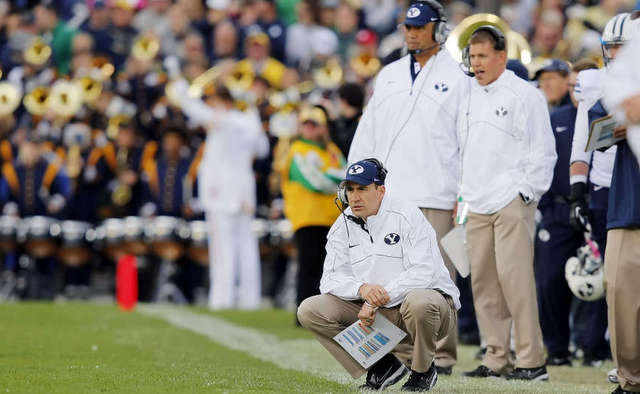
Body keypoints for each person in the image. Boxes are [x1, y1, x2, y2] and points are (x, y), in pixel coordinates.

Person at [348, 0, 471, 374]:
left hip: (437, 190)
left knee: (439, 278)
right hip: (390, 192)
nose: (413, 32)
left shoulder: (458, 76)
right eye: (408, 26)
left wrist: (462, 197)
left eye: (421, 26)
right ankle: (400, 354)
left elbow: (466, 139)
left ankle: (443, 356)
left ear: (439, 27)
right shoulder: (388, 75)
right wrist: (354, 180)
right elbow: (367, 129)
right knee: (388, 276)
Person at [297, 159, 460, 392]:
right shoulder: (341, 224)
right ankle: (382, 365)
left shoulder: (407, 214)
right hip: (377, 315)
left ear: (380, 190)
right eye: (350, 189)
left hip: (428, 311)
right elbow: (330, 280)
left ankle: (423, 372)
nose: (354, 197)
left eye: (362, 189)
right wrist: (361, 289)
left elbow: (425, 272)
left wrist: (374, 299)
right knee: (310, 309)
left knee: (420, 301)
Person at [458, 25, 556, 381]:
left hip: (511, 201)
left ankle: (532, 360)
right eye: (472, 56)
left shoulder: (525, 95)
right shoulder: (466, 95)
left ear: (502, 56)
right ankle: (496, 357)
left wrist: (526, 194)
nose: (476, 63)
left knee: (516, 281)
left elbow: (543, 150)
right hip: (476, 201)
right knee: (483, 284)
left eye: (483, 56)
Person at [568, 13, 640, 367]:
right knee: (616, 285)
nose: (617, 53)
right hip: (616, 192)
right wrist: (577, 187)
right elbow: (591, 134)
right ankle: (621, 366)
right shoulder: (603, 83)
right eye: (612, 47)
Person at [177, 81, 269, 309]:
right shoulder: (248, 121)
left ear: (221, 102)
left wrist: (179, 83)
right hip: (244, 195)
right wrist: (253, 111)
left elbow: (191, 107)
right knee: (247, 248)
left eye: (213, 102)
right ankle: (250, 300)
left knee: (221, 249)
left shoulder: (223, 120)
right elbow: (263, 149)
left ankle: (222, 300)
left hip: (221, 195)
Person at [534, 59, 599, 367]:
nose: (577, 91)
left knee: (597, 281)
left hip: (594, 209)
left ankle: (592, 347)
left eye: (581, 86)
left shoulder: (604, 117)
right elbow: (542, 161)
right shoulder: (556, 117)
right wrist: (546, 206)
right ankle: (556, 348)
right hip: (557, 209)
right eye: (572, 86)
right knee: (549, 282)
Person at [602, 21, 640, 394]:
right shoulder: (618, 86)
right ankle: (630, 379)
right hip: (629, 205)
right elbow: (601, 126)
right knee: (621, 297)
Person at [280, 105, 345, 319]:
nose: (309, 129)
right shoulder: (298, 149)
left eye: (314, 124)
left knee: (326, 270)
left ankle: (321, 314)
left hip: (330, 218)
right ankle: (303, 315)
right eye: (306, 124)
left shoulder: (331, 150)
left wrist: (330, 175)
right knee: (308, 267)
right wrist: (334, 178)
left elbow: (346, 174)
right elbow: (315, 181)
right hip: (307, 218)